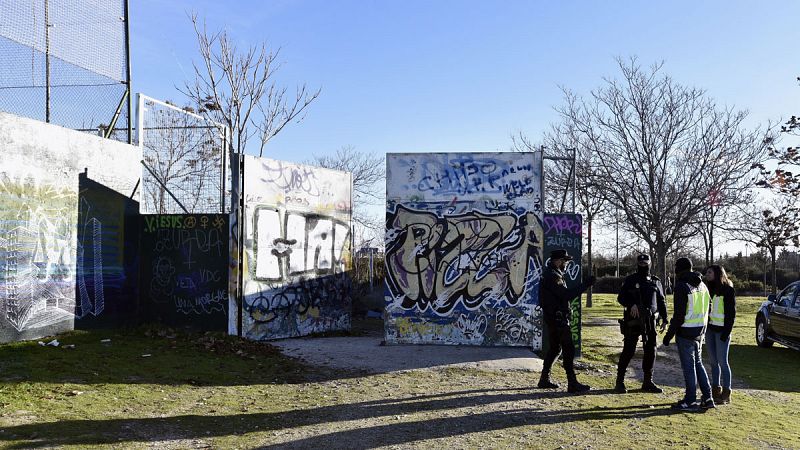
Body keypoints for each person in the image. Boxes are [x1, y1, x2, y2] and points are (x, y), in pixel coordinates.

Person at [537, 249, 596, 393]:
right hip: (558, 320)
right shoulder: (553, 276)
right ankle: (572, 382)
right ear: (558, 261)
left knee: (555, 349)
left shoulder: (552, 274)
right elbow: (566, 295)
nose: (566, 264)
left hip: (554, 318)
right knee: (568, 349)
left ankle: (544, 379)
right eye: (565, 261)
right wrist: (585, 285)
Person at [663, 257, 715, 410]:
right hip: (700, 330)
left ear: (679, 269)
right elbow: (709, 306)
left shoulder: (681, 286)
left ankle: (690, 399)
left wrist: (669, 335)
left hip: (686, 331)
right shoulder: (703, 285)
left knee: (689, 368)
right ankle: (708, 397)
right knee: (698, 364)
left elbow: (679, 315)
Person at [614, 254, 668, 394]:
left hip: (650, 321)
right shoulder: (631, 280)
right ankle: (619, 382)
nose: (643, 265)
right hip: (633, 321)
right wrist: (631, 304)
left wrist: (665, 319)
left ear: (650, 263)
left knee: (651, 350)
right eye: (641, 263)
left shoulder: (656, 281)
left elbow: (661, 301)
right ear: (637, 264)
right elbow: (621, 297)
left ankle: (648, 382)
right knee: (629, 350)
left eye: (645, 263)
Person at [704, 265, 736, 405]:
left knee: (723, 362)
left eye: (709, 272)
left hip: (722, 331)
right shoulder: (707, 289)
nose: (707, 274)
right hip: (710, 330)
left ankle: (726, 392)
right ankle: (715, 391)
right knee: (713, 362)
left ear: (717, 274)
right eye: (707, 272)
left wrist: (726, 332)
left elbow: (731, 314)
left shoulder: (728, 290)